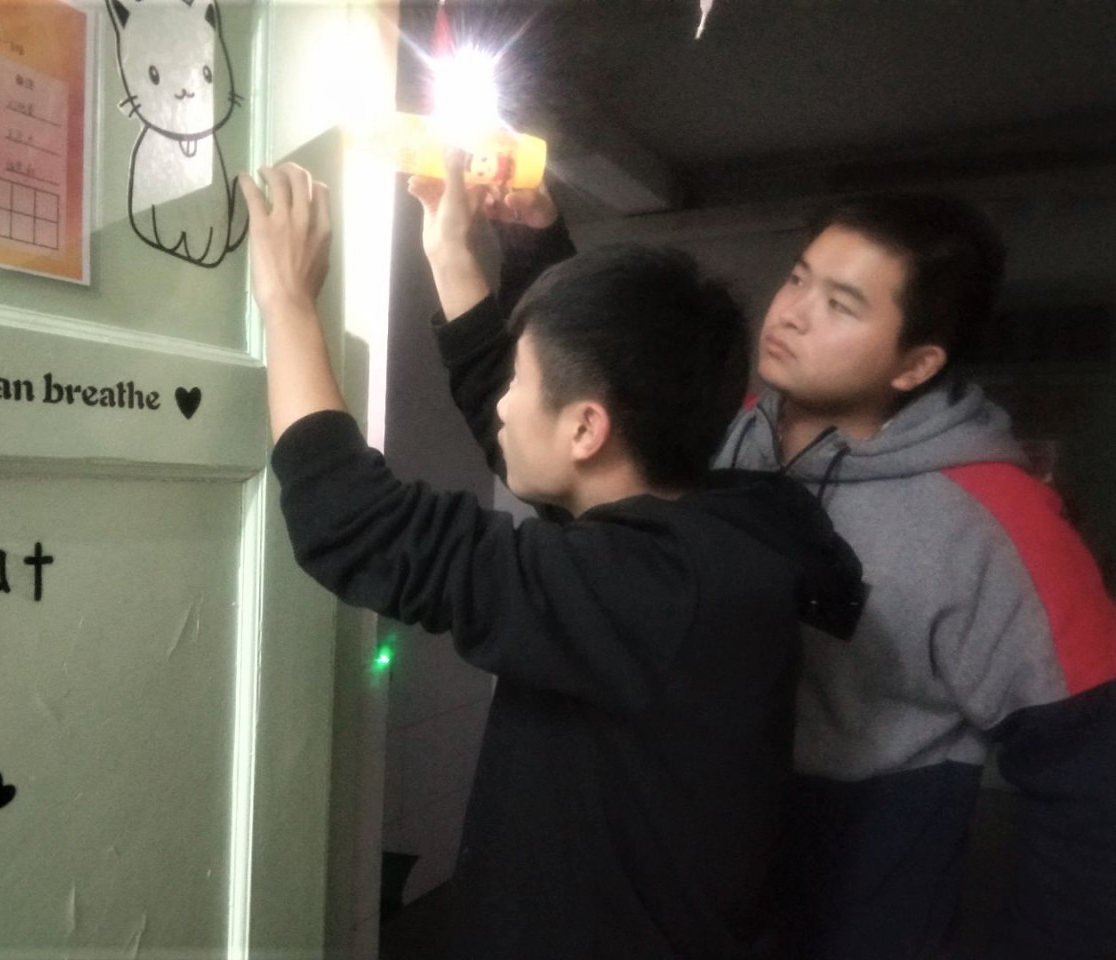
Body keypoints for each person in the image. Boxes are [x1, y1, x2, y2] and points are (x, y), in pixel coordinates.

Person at [238, 156, 863, 960]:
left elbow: (357, 525)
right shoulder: (698, 532)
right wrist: (463, 250)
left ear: (587, 429)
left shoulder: (651, 590)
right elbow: (537, 422)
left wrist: (288, 304)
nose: (501, 402)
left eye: (520, 383)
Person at [486, 184, 1116, 959]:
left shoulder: (999, 525)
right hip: (683, 874)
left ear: (917, 362)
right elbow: (600, 378)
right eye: (797, 278)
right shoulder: (718, 430)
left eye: (841, 305)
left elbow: (1092, 783)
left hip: (856, 895)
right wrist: (533, 243)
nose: (789, 313)